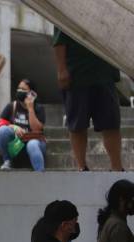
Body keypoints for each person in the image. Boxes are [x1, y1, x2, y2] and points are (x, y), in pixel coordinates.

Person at [53, 28, 123, 171]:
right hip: (76, 74)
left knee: (111, 123)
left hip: (105, 74)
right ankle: (82, 167)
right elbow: (59, 40)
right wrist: (61, 69)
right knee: (77, 125)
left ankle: (117, 168)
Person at [0, 79, 46, 171]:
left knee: (32, 144)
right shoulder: (11, 106)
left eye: (23, 89)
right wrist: (13, 126)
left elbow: (37, 130)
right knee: (3, 130)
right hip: (17, 145)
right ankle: (7, 161)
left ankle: (40, 175)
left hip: (35, 143)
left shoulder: (39, 108)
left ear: (31, 93)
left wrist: (30, 109)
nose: (20, 91)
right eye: (19, 89)